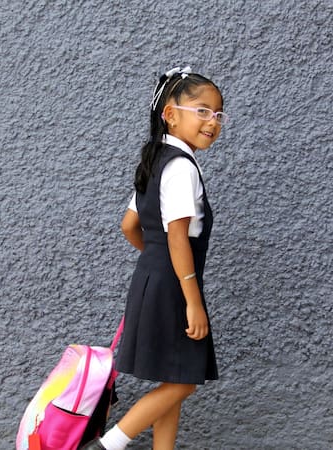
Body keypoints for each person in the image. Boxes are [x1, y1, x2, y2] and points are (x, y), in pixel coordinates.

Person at [82, 66, 228, 450]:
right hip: (177, 286)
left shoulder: (154, 162)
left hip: (155, 280)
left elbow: (129, 226)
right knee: (184, 381)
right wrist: (192, 300)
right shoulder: (181, 167)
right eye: (202, 110)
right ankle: (108, 446)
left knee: (172, 376)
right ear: (170, 114)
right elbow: (177, 237)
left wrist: (155, 263)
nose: (212, 122)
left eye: (218, 114)